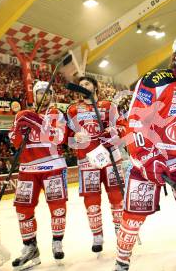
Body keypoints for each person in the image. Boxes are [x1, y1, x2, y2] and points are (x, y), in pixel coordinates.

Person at [113, 32, 176, 271]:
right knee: (133, 218)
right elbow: (135, 121)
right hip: (149, 156)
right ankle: (121, 263)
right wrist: (147, 156)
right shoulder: (157, 80)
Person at [9, 81, 69, 269]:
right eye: (40, 92)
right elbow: (15, 141)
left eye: (48, 92)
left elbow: (58, 137)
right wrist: (20, 128)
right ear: (33, 95)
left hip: (52, 166)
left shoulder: (56, 114)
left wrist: (36, 121)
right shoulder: (22, 115)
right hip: (27, 169)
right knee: (22, 210)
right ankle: (30, 248)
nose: (45, 95)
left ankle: (57, 241)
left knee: (57, 207)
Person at [66, 76, 124, 254]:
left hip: (110, 156)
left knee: (116, 196)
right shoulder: (73, 109)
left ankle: (120, 231)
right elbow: (66, 136)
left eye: (87, 84)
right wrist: (74, 137)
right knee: (91, 200)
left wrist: (112, 131)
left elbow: (122, 126)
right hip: (87, 159)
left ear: (95, 87)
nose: (83, 87)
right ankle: (97, 235)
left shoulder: (108, 105)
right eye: (81, 85)